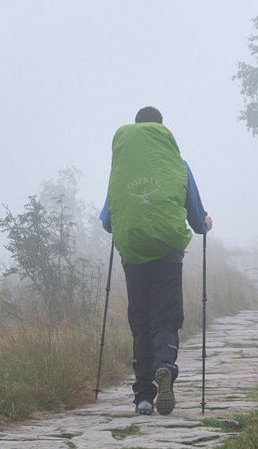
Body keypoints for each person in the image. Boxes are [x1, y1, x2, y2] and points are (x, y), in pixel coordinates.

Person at [101, 106, 212, 415]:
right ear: (162, 130)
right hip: (167, 256)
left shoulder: (122, 171)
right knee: (165, 317)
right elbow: (197, 218)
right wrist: (205, 224)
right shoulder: (178, 165)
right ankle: (166, 366)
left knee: (140, 323)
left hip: (133, 256)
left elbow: (108, 221)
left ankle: (144, 397)